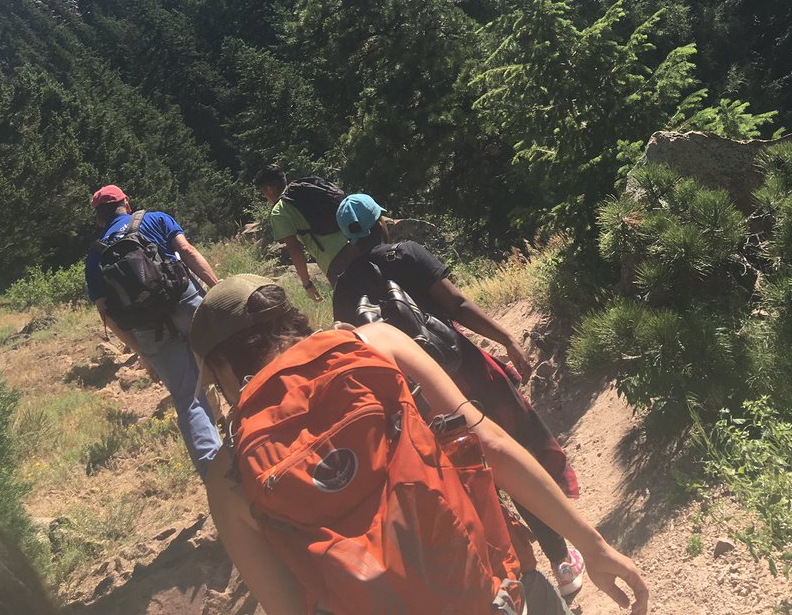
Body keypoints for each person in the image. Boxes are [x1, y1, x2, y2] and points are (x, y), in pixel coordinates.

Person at [191, 275, 649, 615]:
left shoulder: (229, 473)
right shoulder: (374, 345)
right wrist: (592, 546)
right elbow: (490, 443)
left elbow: (291, 609)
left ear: (219, 369)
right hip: (498, 591)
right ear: (291, 319)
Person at [332, 194, 586, 599]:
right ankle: (562, 560)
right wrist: (506, 338)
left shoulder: (344, 289)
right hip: (464, 371)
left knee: (470, 481)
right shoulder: (407, 253)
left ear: (348, 238)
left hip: (417, 399)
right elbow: (457, 304)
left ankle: (515, 580)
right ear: (381, 222)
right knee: (515, 454)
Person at [84, 184, 222, 478]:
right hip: (188, 305)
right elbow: (187, 251)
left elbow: (106, 313)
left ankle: (217, 476)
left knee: (187, 398)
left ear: (99, 218)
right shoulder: (155, 218)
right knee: (228, 363)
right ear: (126, 203)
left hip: (149, 329)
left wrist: (141, 352)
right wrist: (218, 288)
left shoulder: (95, 255)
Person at [253, 165, 355, 304]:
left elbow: (294, 248)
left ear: (270, 189)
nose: (265, 196)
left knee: (352, 306)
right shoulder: (307, 190)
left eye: (263, 192)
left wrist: (307, 284)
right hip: (355, 242)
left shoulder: (279, 210)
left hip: (335, 259)